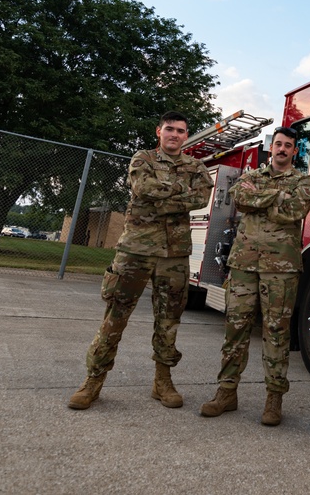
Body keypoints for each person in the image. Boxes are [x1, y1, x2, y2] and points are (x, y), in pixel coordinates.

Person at [68, 111, 213, 410]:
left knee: (169, 320)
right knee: (115, 316)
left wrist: (162, 197)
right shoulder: (142, 158)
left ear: (187, 136)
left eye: (181, 130)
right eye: (169, 129)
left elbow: (201, 198)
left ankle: (162, 382)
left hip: (173, 254)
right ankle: (93, 381)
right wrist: (179, 192)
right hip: (135, 250)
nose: (174, 134)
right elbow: (142, 188)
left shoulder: (196, 166)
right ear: (158, 131)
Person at [200, 126, 310, 425]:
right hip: (244, 265)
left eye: (288, 146)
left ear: (295, 151)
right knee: (235, 328)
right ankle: (226, 392)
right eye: (278, 144)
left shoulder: (302, 181)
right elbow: (239, 200)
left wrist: (262, 198)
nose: (282, 149)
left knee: (276, 332)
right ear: (270, 148)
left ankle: (274, 400)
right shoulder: (251, 176)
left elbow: (294, 211)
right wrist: (275, 196)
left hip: (282, 269)